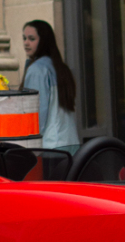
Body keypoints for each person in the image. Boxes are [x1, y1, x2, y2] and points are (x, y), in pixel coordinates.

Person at [21, 20, 81, 151]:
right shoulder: (61, 68)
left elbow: (36, 113)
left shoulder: (37, 69)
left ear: (43, 41)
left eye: (31, 39)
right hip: (70, 143)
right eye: (24, 38)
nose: (26, 43)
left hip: (50, 147)